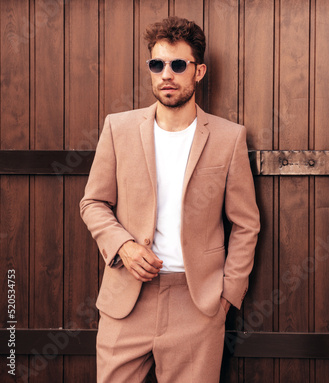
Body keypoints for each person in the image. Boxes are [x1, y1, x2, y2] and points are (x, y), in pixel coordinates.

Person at [80, 16, 260, 382]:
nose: (166, 74)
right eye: (157, 64)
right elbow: (93, 203)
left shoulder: (229, 138)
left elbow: (246, 223)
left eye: (178, 65)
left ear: (199, 71)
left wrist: (227, 296)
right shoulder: (118, 128)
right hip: (126, 300)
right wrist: (124, 246)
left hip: (196, 304)